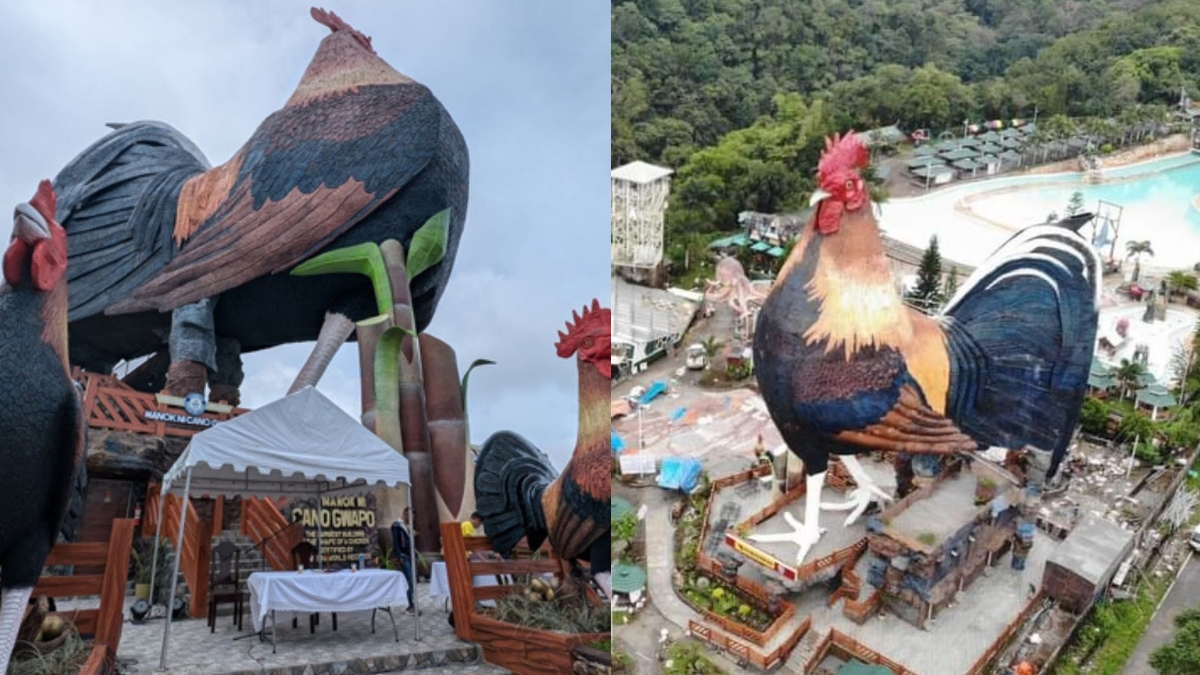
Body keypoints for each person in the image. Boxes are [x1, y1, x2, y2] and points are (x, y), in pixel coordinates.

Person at [390, 508, 418, 614]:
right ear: (405, 514)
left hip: (408, 555)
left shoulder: (407, 527)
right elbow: (395, 542)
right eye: (410, 517)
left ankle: (410, 602)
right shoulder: (397, 526)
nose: (411, 519)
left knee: (411, 580)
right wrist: (398, 556)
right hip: (403, 556)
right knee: (409, 579)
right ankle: (409, 604)